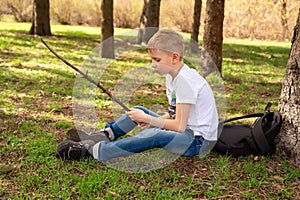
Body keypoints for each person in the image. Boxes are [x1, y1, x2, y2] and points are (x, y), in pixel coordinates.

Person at [55, 29, 219, 161]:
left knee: (153, 134)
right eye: (151, 59)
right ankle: (104, 135)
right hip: (185, 133)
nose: (152, 64)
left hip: (197, 143)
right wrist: (152, 119)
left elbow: (180, 126)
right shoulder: (173, 77)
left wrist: (150, 121)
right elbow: (174, 113)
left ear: (174, 57)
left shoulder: (186, 81)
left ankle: (95, 151)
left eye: (157, 59)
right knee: (140, 110)